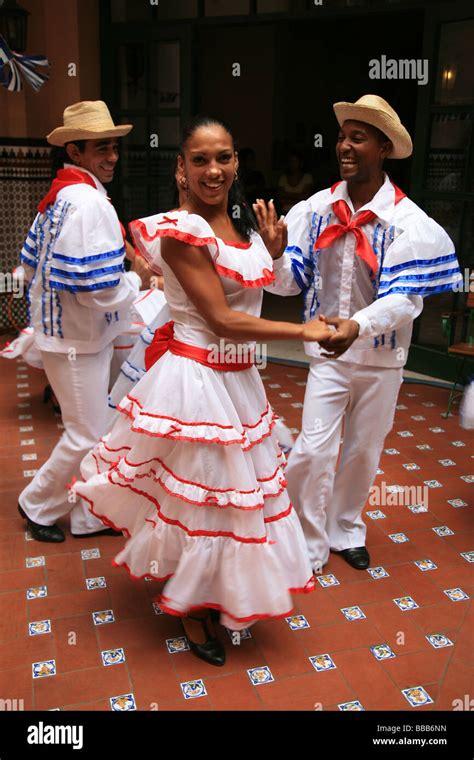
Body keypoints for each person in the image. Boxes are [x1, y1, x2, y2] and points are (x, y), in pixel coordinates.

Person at [73, 115, 333, 667]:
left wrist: (275, 250)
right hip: (198, 384)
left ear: (237, 162)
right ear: (181, 169)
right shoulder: (182, 231)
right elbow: (222, 321)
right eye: (201, 160)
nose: (214, 170)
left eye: (224, 157)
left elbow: (260, 289)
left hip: (239, 383)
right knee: (205, 501)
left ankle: (218, 590)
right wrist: (303, 330)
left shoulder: (237, 229)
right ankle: (191, 607)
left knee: (233, 502)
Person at [256, 95, 462, 572]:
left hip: (382, 360)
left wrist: (359, 325)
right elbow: (292, 283)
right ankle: (307, 540)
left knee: (364, 450)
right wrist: (274, 255)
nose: (344, 146)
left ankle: (344, 528)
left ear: (384, 148)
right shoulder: (315, 210)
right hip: (328, 355)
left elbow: (407, 299)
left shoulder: (409, 223)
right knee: (312, 449)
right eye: (342, 136)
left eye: (358, 138)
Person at [17, 100, 150, 542]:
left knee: (95, 429)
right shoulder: (87, 201)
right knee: (86, 432)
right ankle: (37, 504)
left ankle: (89, 514)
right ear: (74, 152)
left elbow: (29, 264)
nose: (112, 156)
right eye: (100, 149)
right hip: (74, 337)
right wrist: (137, 281)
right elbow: (95, 288)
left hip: (67, 333)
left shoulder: (60, 196)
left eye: (113, 147)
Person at [277, 149, 313, 214]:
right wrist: (298, 197)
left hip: (302, 212)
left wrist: (287, 196)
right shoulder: (283, 178)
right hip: (285, 213)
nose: (292, 164)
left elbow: (306, 198)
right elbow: (281, 199)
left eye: (295, 161)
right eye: (291, 161)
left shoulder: (307, 178)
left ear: (301, 163)